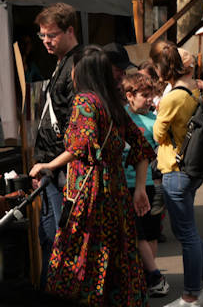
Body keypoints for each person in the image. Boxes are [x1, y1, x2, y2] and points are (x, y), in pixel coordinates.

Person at [29, 45, 154, 306]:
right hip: (116, 194)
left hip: (88, 194)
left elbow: (81, 145)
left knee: (79, 253)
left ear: (81, 72)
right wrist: (140, 188)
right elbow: (142, 148)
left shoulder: (85, 101)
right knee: (114, 254)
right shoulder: (112, 104)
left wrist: (49, 165)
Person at [152, 43, 203, 307]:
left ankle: (191, 295)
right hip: (193, 168)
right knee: (189, 233)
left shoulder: (173, 97)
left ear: (165, 67)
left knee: (186, 235)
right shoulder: (198, 92)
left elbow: (158, 134)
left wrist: (160, 109)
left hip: (175, 169)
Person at [32, 2, 82, 288]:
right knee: (50, 236)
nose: (46, 41)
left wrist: (53, 163)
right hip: (51, 167)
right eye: (42, 36)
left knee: (58, 239)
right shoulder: (63, 62)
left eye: (51, 35)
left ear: (69, 30)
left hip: (62, 169)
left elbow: (79, 127)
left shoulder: (77, 65)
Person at [121, 72, 170, 298]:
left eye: (151, 95)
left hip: (147, 185)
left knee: (149, 234)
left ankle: (148, 276)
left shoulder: (154, 119)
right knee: (134, 235)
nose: (150, 99)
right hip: (123, 185)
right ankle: (145, 276)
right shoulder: (119, 117)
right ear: (129, 96)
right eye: (144, 95)